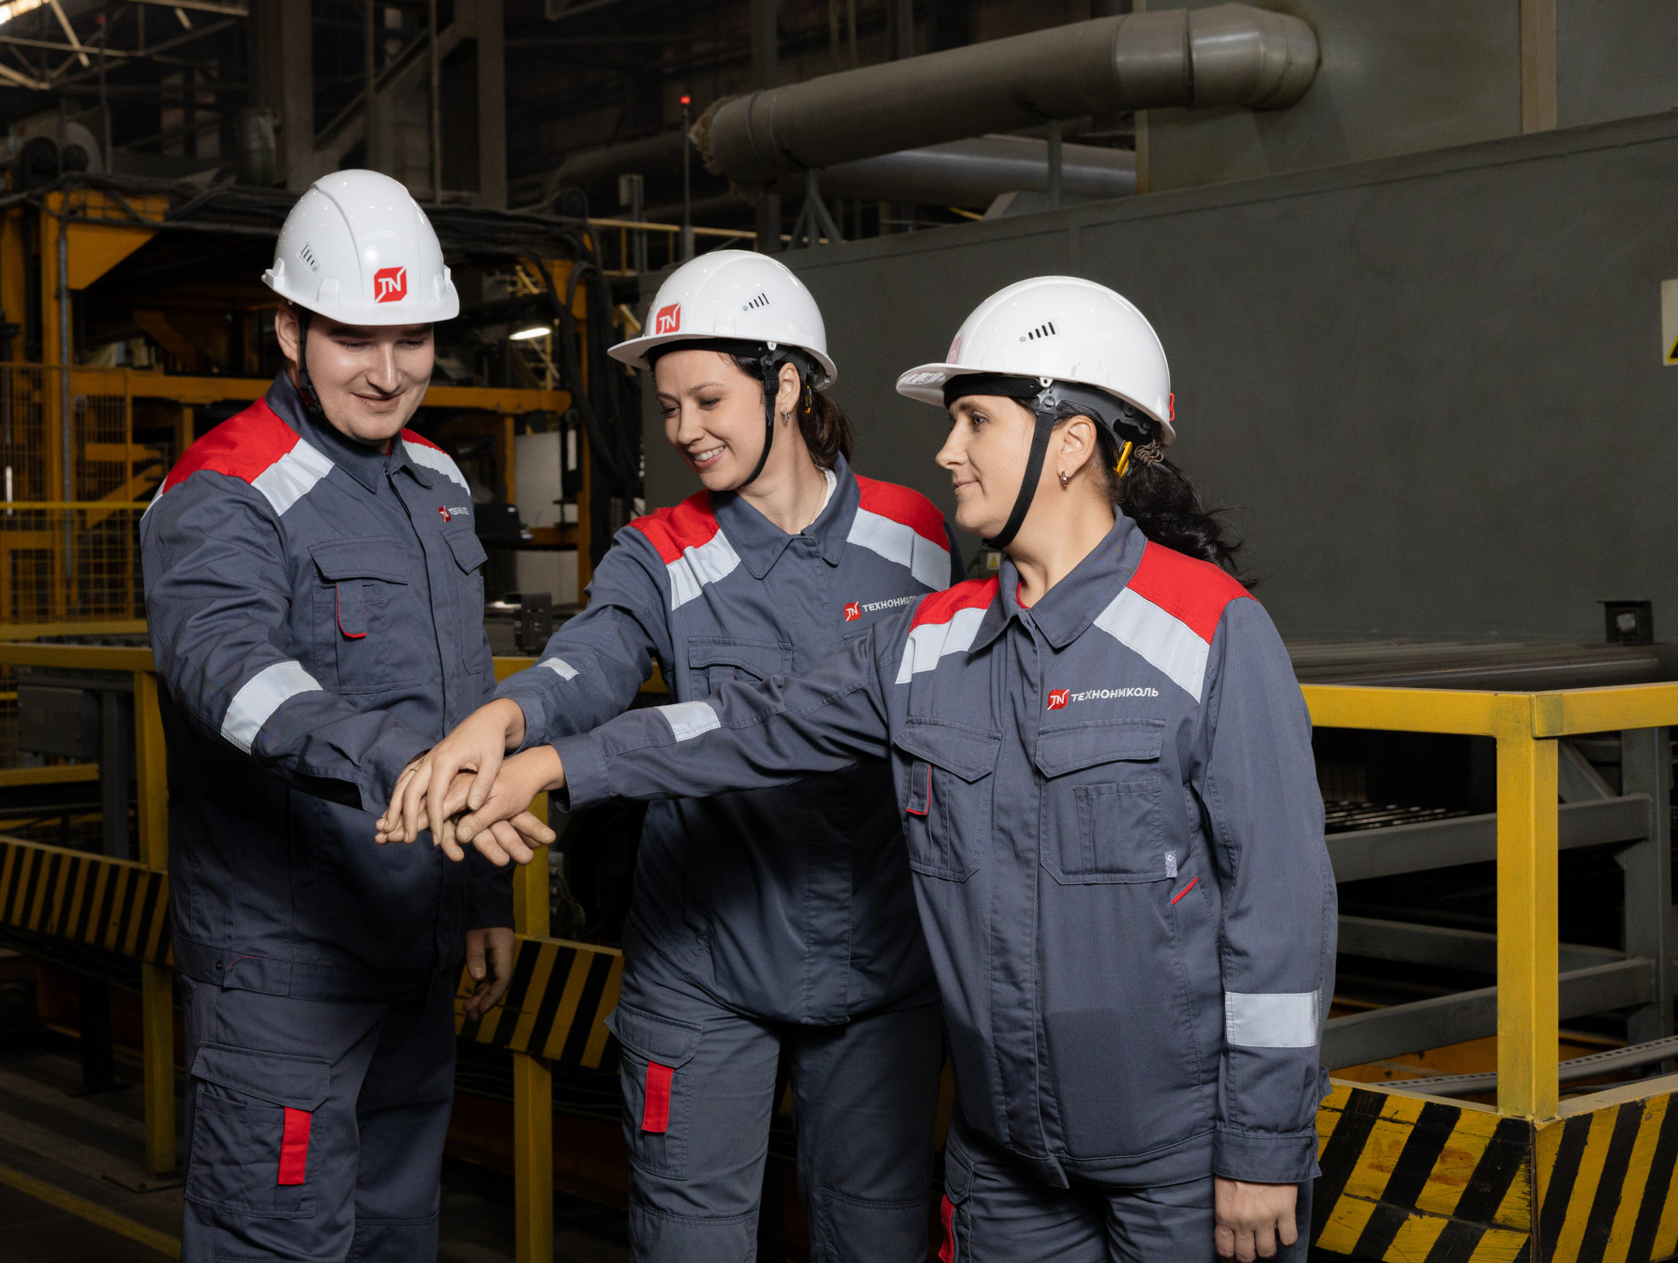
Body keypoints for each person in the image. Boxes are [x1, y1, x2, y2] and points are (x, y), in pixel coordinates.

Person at [422, 277, 1337, 1263]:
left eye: (974, 421)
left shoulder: (1207, 630)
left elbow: (1279, 914)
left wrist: (1262, 1144)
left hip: (1167, 1152)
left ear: (1070, 441)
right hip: (1002, 1155)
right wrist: (547, 756)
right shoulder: (928, 639)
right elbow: (751, 719)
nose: (946, 450)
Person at [384, 249, 959, 1261]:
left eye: (708, 400)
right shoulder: (659, 549)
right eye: (669, 407)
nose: (685, 430)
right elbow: (590, 660)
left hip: (878, 964)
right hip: (703, 964)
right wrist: (506, 720)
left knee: (877, 1237)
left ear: (788, 385)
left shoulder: (916, 535)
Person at [140, 170, 537, 1262]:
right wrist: (403, 762)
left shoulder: (438, 482)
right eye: (355, 338)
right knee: (277, 1241)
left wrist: (480, 894)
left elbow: (465, 700)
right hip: (284, 969)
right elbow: (227, 672)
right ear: (290, 330)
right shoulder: (224, 487)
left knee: (395, 1233)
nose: (389, 371)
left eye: (413, 339)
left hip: (415, 942)